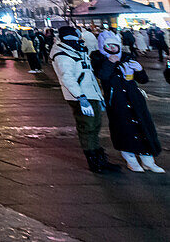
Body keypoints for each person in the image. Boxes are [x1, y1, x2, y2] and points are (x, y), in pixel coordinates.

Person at [92, 31, 163, 172]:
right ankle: (131, 160)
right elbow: (102, 76)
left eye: (115, 45)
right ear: (103, 46)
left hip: (135, 99)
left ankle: (148, 160)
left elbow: (143, 80)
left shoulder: (126, 57)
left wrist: (140, 70)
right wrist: (109, 63)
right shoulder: (99, 58)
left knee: (143, 127)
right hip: (116, 100)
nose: (112, 48)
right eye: (109, 45)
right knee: (123, 130)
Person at [50, 26, 118, 173]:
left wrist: (98, 96)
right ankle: (94, 161)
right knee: (87, 128)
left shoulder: (76, 50)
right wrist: (80, 97)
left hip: (89, 94)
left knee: (94, 126)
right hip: (81, 96)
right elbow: (67, 77)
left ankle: (99, 158)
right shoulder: (63, 54)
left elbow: (89, 74)